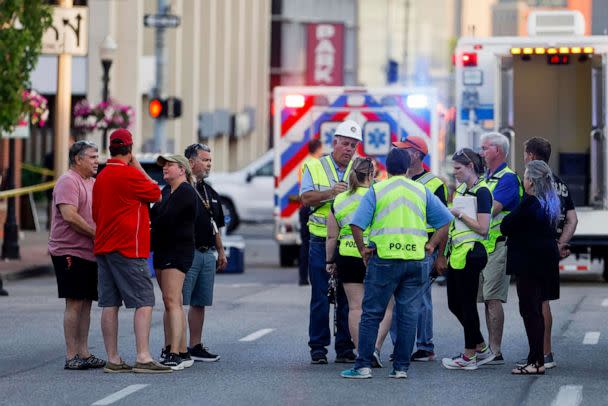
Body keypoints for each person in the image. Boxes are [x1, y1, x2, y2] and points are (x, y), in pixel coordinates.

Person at [341, 148, 452, 379]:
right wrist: (431, 245)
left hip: (384, 261)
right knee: (409, 314)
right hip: (416, 261)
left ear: (386, 168)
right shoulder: (421, 190)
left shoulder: (377, 190)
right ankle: (401, 368)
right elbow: (445, 220)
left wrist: (363, 249)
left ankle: (362, 366)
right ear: (408, 167)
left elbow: (356, 224)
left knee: (372, 313)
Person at [92, 129, 170, 374]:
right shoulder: (128, 174)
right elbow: (157, 192)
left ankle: (113, 359)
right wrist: (136, 163)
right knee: (144, 300)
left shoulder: (102, 176)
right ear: (130, 148)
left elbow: (95, 212)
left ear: (110, 149)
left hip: (104, 246)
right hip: (128, 247)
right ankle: (143, 356)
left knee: (110, 303)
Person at [300, 119, 361, 364]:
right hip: (320, 239)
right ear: (334, 142)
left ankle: (345, 348)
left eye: (353, 146)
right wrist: (330, 194)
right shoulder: (314, 167)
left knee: (348, 296)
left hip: (347, 241)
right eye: (345, 144)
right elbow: (306, 198)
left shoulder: (360, 168)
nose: (349, 149)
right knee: (321, 296)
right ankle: (318, 348)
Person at [516, 137, 578, 369]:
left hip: (533, 251)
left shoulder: (535, 183)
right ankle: (545, 353)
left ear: (531, 156)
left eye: (525, 154)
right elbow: (572, 219)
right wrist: (560, 243)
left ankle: (541, 355)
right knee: (543, 301)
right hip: (550, 249)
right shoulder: (560, 183)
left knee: (535, 304)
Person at [325, 157, 393, 368]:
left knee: (355, 308)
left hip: (347, 255)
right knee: (387, 307)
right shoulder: (380, 195)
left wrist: (329, 261)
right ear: (372, 175)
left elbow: (331, 236)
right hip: (376, 254)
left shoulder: (339, 200)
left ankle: (361, 352)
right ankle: (374, 349)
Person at [48, 140, 105, 370]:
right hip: (68, 251)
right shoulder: (67, 181)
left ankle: (84, 351)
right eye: (92, 157)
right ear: (78, 159)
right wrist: (96, 234)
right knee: (74, 302)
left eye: (97, 156)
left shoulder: (92, 182)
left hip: (90, 252)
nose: (96, 161)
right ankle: (71, 356)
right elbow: (70, 216)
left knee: (87, 303)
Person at [392, 135, 448, 362]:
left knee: (421, 299)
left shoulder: (434, 184)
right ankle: (399, 346)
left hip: (425, 246)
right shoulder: (396, 180)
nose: (399, 153)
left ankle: (425, 346)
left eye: (404, 149)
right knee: (397, 298)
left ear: (416, 154)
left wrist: (439, 253)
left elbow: (445, 222)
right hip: (399, 245)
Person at [501, 160, 560, 375]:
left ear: (531, 181)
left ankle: (535, 362)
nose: (523, 180)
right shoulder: (550, 202)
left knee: (529, 311)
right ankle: (537, 359)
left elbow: (505, 225)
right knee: (536, 311)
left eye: (525, 176)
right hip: (545, 261)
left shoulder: (530, 203)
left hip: (529, 263)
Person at [440, 148, 495, 370]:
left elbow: (483, 228)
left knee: (467, 304)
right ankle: (480, 346)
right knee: (455, 303)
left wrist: (459, 213)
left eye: (458, 168)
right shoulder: (462, 190)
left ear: (471, 166)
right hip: (458, 252)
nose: (455, 173)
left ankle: (468, 356)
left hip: (473, 252)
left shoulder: (482, 192)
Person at [478, 132, 523, 364]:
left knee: (493, 298)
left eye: (485, 148)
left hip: (498, 245)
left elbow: (491, 209)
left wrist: (467, 210)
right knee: (486, 299)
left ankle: (495, 350)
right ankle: (488, 348)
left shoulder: (507, 178)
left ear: (498, 150)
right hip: (483, 245)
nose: (481, 152)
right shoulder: (487, 176)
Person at [151, 154, 198, 370]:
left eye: (169, 165)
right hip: (162, 250)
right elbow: (155, 215)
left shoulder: (186, 191)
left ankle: (175, 353)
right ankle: (175, 348)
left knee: (172, 300)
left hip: (177, 250)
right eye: (164, 165)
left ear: (182, 169)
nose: (165, 168)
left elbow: (165, 218)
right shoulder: (166, 191)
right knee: (171, 301)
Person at [182, 143, 227, 363]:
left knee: (199, 302)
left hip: (206, 252)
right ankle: (176, 347)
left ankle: (195, 345)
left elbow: (214, 224)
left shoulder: (210, 192)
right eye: (205, 160)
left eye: (210, 160)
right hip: (186, 253)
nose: (209, 164)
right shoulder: (181, 188)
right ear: (191, 162)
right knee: (179, 302)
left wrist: (221, 251)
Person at [298, 139, 324, 286]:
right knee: (312, 243)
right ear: (318, 149)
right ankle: (310, 276)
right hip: (313, 205)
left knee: (304, 243)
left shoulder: (304, 162)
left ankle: (302, 277)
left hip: (304, 205)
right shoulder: (315, 164)